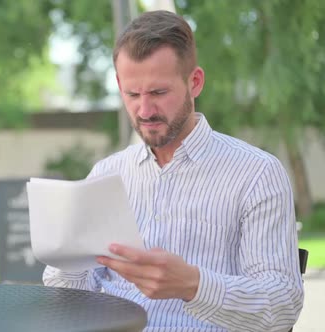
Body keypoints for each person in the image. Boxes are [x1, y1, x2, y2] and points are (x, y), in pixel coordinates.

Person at [43, 10, 304, 332]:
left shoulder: (257, 174)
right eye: (133, 94)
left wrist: (194, 285)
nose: (145, 110)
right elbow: (72, 300)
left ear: (194, 82)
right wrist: (65, 258)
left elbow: (281, 308)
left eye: (158, 93)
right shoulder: (106, 174)